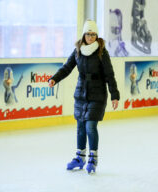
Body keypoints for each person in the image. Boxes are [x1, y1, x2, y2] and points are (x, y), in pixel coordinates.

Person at [48, 20, 120, 174]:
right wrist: (55, 78)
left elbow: (109, 74)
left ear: (97, 35)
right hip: (81, 94)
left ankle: (93, 158)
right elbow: (67, 67)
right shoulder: (78, 50)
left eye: (94, 34)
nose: (91, 37)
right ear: (84, 35)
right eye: (88, 34)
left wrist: (115, 95)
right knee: (80, 127)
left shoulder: (102, 52)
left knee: (90, 126)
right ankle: (80, 157)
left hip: (98, 94)